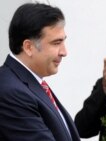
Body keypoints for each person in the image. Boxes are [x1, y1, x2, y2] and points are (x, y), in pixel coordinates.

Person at [0, 3, 80, 141]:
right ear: (28, 47)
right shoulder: (11, 91)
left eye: (63, 42)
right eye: (56, 43)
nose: (64, 52)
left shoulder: (29, 83)